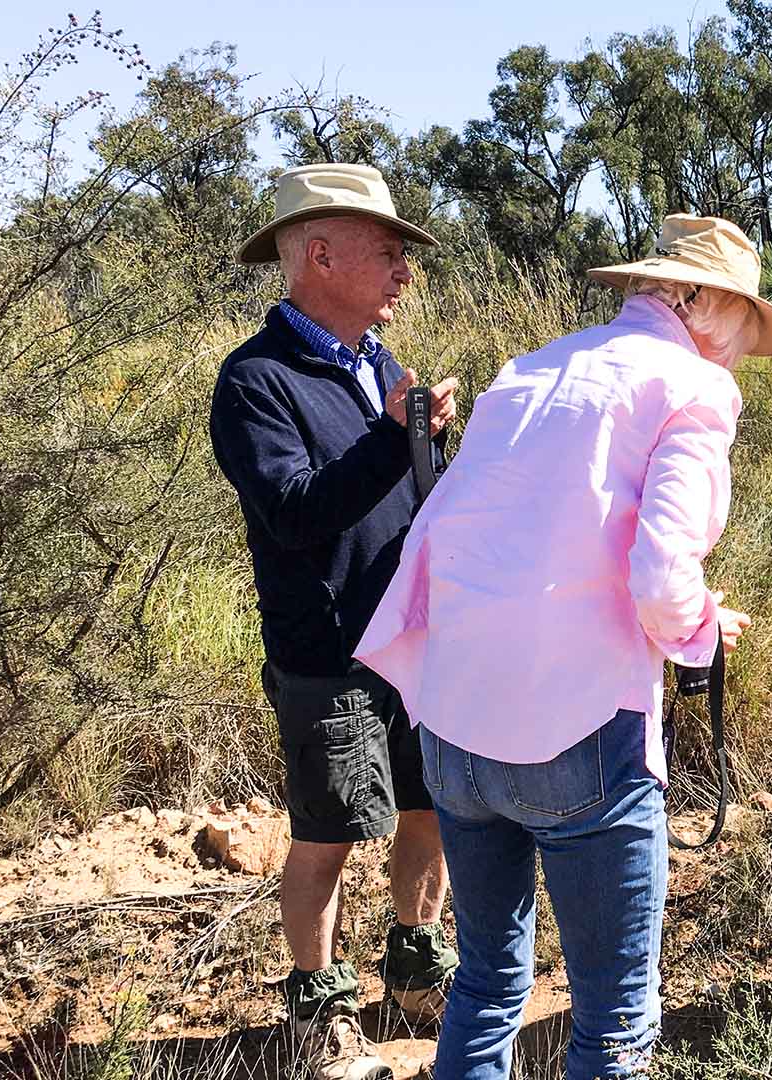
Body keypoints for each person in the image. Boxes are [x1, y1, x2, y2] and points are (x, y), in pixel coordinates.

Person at [355, 215, 772, 1080]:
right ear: (701, 302)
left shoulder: (532, 369)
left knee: (485, 981)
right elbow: (664, 577)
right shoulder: (693, 390)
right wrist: (703, 628)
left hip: (452, 722)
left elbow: (459, 524)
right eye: (745, 319)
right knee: (616, 1020)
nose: (744, 347)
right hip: (580, 728)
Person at [209, 163, 461, 1080]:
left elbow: (412, 502)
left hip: (412, 640)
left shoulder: (383, 367)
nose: (404, 273)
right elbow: (297, 512)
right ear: (320, 254)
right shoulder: (256, 381)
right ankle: (319, 1018)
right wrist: (392, 438)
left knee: (428, 808)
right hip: (329, 654)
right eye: (390, 253)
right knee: (328, 834)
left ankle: (415, 975)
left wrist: (431, 445)